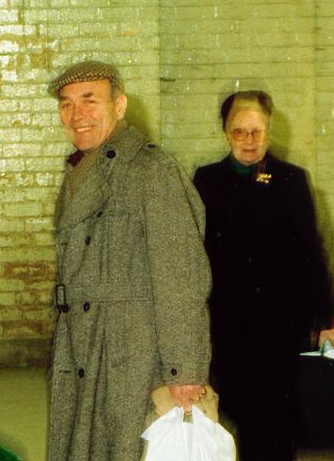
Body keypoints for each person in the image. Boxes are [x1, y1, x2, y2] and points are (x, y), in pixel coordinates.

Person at [46, 60, 212, 461]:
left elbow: (181, 274)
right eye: (67, 104)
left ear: (119, 106)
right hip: (81, 346)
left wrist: (184, 369)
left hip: (130, 351)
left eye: (90, 100)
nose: (77, 115)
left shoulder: (152, 170)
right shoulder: (78, 171)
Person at [192, 90, 334, 461]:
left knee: (277, 421)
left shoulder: (291, 181)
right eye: (239, 131)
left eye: (256, 132)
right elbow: (193, 255)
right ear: (225, 132)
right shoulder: (206, 181)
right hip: (227, 324)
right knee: (237, 413)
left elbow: (311, 251)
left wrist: (325, 319)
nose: (248, 140)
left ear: (269, 131)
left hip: (280, 324)